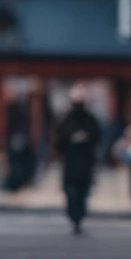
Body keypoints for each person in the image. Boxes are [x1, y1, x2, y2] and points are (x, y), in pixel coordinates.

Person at [53, 84, 102, 234]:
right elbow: (58, 141)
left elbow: (97, 137)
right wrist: (70, 141)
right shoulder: (65, 119)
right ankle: (73, 215)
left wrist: (85, 140)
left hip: (85, 161)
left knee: (82, 191)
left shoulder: (90, 120)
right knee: (70, 191)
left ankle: (78, 216)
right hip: (70, 160)